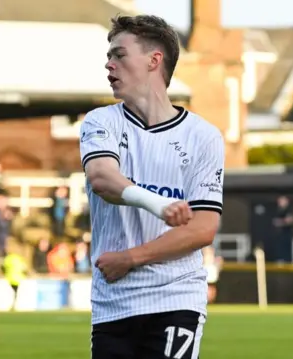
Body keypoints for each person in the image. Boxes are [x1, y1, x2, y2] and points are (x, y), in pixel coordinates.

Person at [81, 15, 224, 359]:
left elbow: (203, 229)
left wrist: (130, 258)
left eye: (118, 55)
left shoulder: (203, 137)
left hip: (176, 298)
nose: (108, 64)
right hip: (113, 303)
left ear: (153, 60)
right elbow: (102, 178)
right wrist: (158, 205)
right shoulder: (101, 122)